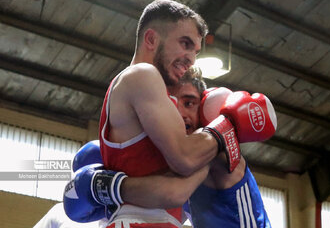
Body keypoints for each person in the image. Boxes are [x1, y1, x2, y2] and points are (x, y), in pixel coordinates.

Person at [64, 0, 276, 228]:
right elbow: (184, 160)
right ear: (151, 39)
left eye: (195, 50)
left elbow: (174, 189)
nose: (191, 58)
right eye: (185, 43)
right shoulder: (142, 75)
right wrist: (228, 125)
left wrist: (113, 187)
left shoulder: (139, 95)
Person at [63, 67, 273, 228]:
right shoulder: (174, 156)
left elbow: (173, 192)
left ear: (204, 109)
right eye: (172, 102)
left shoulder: (211, 149)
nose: (180, 113)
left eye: (189, 103)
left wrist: (105, 187)